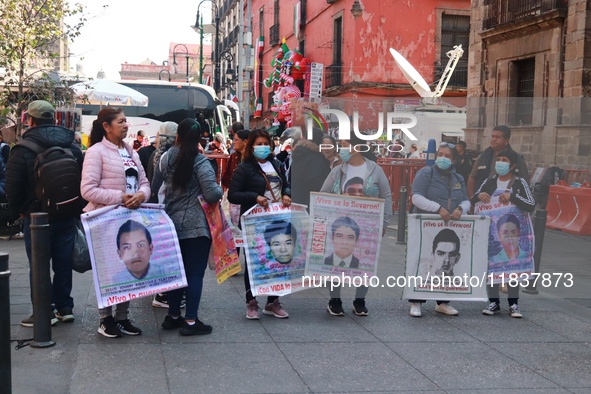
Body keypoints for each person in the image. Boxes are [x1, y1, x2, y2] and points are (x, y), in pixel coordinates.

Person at [5, 100, 83, 327]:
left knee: (39, 265)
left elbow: (13, 186)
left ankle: (43, 311)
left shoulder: (22, 149)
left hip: (36, 217)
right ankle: (65, 308)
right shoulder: (72, 146)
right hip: (66, 213)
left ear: (30, 120)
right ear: (53, 118)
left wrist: (18, 211)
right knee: (63, 263)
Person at [81, 106, 150, 338]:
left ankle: (122, 317)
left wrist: (141, 196)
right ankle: (105, 319)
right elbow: (87, 190)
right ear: (106, 127)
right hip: (105, 221)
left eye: (126, 121)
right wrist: (120, 198)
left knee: (128, 268)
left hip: (129, 221)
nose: (125, 125)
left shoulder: (132, 152)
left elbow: (145, 183)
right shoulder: (96, 152)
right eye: (120, 122)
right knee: (107, 271)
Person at [152, 118, 223, 335]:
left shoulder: (165, 158)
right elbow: (212, 193)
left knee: (176, 273)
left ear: (178, 137)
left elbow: (155, 188)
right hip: (196, 227)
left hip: (170, 224)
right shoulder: (202, 163)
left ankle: (173, 316)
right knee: (194, 274)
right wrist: (219, 191)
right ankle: (191, 321)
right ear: (201, 137)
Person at [320, 133, 392, 317]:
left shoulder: (375, 170)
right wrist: (338, 200)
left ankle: (360, 300)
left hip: (368, 225)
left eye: (345, 145)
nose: (341, 149)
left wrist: (384, 222)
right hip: (340, 224)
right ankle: (334, 299)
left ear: (357, 147)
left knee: (365, 262)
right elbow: (323, 194)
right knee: (336, 261)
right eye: (340, 145)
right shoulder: (338, 170)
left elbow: (386, 196)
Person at [228, 129, 292, 320]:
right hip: (254, 220)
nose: (263, 147)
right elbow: (233, 194)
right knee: (254, 261)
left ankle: (273, 302)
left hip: (277, 219)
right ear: (251, 146)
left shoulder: (277, 164)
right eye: (259, 144)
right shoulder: (244, 168)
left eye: (266, 143)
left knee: (278, 260)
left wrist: (287, 194)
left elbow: (286, 184)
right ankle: (252, 302)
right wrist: (255, 197)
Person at [471, 149, 535, 318]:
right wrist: (480, 195)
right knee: (493, 266)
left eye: (504, 160)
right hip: (494, 235)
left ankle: (514, 304)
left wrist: (512, 196)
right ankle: (494, 302)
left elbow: (530, 204)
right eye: (498, 159)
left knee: (512, 266)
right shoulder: (490, 181)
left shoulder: (519, 183)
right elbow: (474, 199)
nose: (500, 162)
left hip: (514, 234)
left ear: (512, 165)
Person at [409, 142, 470, 317]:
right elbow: (416, 197)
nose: (443, 158)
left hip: (448, 227)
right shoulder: (426, 173)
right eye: (440, 154)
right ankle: (416, 300)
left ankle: (442, 301)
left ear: (454, 160)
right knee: (423, 260)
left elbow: (466, 200)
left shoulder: (458, 178)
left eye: (448, 156)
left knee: (447, 266)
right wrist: (437, 208)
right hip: (426, 226)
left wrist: (460, 209)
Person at [467, 125, 529, 198]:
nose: (493, 139)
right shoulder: (483, 157)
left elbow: (525, 182)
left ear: (506, 140)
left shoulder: (517, 158)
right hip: (484, 201)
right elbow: (472, 178)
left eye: (497, 137)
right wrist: (472, 200)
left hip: (508, 203)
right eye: (492, 136)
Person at [283, 126, 331, 207]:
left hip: (298, 205)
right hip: (312, 206)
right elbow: (318, 185)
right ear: (320, 142)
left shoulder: (298, 156)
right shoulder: (316, 159)